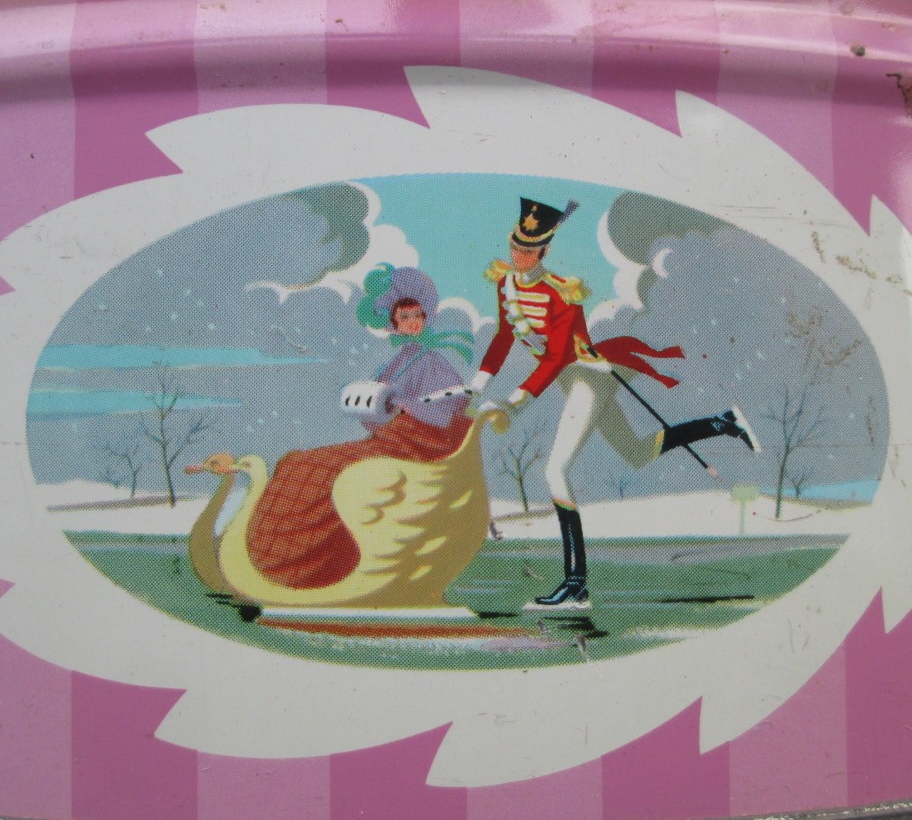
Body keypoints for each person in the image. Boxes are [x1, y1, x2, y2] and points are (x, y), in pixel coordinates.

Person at [471, 198, 760, 609]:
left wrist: (514, 402)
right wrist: (477, 384)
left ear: (545, 251)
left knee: (555, 471)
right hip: (570, 382)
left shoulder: (562, 293)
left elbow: (556, 358)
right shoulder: (506, 285)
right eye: (516, 247)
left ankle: (576, 583)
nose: (519, 257)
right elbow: (504, 338)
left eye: (529, 251)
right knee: (636, 453)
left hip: (586, 377)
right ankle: (721, 423)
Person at [245, 265, 472, 591]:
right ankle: (279, 554)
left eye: (416, 315)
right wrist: (374, 404)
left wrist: (407, 407)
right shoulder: (398, 361)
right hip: (387, 439)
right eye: (404, 317)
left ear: (426, 316)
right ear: (392, 322)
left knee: (321, 468)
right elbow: (378, 412)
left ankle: (302, 563)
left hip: (416, 444)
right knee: (296, 461)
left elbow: (452, 404)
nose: (412, 322)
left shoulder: (433, 361)